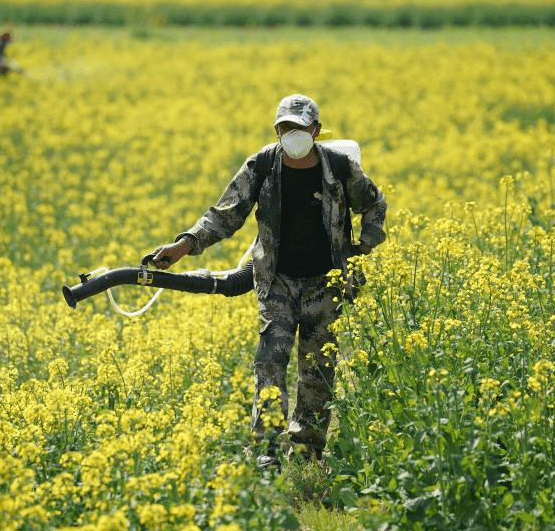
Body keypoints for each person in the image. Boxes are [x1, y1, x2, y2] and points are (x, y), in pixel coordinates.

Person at [148, 93, 387, 469]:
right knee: (270, 365)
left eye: (298, 128)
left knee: (318, 372)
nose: (290, 135)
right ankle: (268, 451)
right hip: (277, 282)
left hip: (325, 285)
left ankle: (308, 451)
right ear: (276, 130)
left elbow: (374, 203)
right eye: (284, 128)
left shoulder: (339, 167)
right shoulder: (262, 164)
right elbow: (225, 215)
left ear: (316, 131)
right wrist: (184, 245)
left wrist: (365, 244)